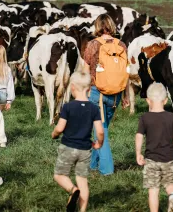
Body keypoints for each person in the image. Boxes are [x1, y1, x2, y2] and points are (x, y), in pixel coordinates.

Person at [51, 71, 104, 212]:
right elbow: (99, 131)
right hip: (85, 149)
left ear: (72, 87)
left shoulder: (68, 107)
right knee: (82, 180)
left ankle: (72, 190)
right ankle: (82, 210)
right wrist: (100, 143)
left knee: (59, 175)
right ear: (89, 88)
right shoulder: (94, 108)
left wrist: (54, 134)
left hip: (68, 147)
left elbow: (60, 127)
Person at [83, 14, 129, 176]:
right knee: (102, 129)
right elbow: (126, 72)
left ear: (97, 27)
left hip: (97, 93)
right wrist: (126, 96)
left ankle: (107, 169)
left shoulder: (93, 45)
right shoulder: (121, 45)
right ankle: (94, 164)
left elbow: (84, 70)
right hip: (116, 94)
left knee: (101, 131)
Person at [136, 82, 173, 212]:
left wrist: (138, 153)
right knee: (170, 182)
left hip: (151, 159)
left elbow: (139, 135)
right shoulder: (170, 116)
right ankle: (172, 197)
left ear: (148, 100)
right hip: (169, 158)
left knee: (153, 190)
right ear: (165, 100)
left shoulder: (145, 117)